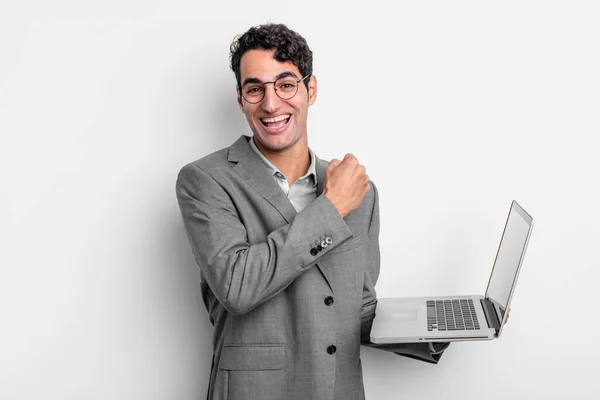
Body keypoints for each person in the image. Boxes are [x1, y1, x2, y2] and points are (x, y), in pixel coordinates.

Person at [176, 23, 448, 400]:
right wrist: (332, 206)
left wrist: (433, 330)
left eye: (285, 84)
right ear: (240, 99)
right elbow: (237, 286)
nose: (271, 104)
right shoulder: (205, 181)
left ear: (311, 89)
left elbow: (359, 307)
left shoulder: (361, 194)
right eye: (255, 89)